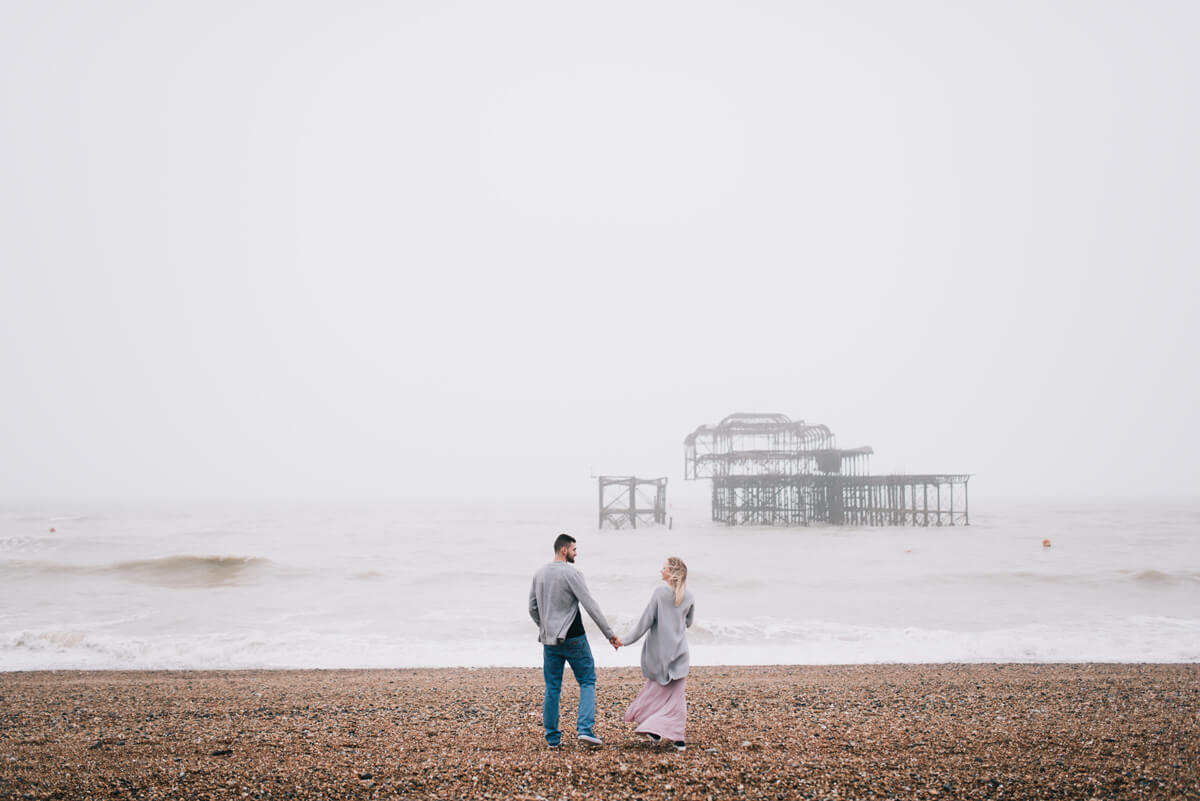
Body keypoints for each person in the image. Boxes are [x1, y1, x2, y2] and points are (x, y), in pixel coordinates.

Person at [529, 533, 621, 749]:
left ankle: (552, 739)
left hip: (550, 641)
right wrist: (610, 635)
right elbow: (590, 605)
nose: (576, 553)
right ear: (564, 550)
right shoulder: (572, 573)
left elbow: (532, 608)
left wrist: (545, 628)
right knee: (587, 681)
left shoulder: (539, 574)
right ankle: (584, 730)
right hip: (574, 637)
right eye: (574, 549)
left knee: (552, 687)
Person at [620, 556, 694, 751]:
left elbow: (644, 623)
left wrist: (624, 641)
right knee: (676, 697)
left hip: (660, 656)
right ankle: (674, 737)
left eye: (664, 568)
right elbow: (689, 623)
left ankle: (659, 730)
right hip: (680, 655)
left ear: (671, 573)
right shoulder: (689, 596)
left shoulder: (660, 593)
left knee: (654, 693)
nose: (661, 571)